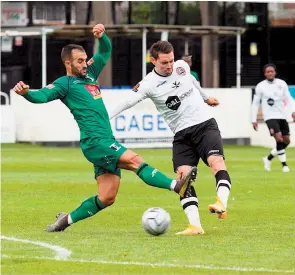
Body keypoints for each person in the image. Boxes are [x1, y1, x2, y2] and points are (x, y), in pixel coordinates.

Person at [12, 24, 196, 233]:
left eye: (85, 59)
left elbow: (106, 51)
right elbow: (41, 96)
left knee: (107, 197)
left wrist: (102, 37)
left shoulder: (89, 73)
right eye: (79, 61)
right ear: (68, 63)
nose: (84, 64)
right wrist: (27, 93)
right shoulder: (65, 84)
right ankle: (176, 186)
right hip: (95, 142)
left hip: (105, 140)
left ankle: (65, 220)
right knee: (136, 162)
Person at [108, 41, 232, 235]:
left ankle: (221, 202)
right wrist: (103, 119)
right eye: (164, 62)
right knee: (182, 179)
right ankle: (195, 226)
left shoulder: (181, 66)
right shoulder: (148, 84)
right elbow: (126, 102)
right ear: (153, 60)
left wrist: (206, 98)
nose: (169, 66)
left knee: (216, 162)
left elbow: (193, 82)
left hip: (205, 125)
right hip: (181, 135)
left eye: (171, 61)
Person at [252, 63, 295, 172]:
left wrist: (293, 111)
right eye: (268, 71)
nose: (270, 73)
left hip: (282, 116)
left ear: (275, 72)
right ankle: (284, 165)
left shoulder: (282, 84)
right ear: (265, 73)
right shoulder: (260, 86)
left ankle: (268, 158)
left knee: (287, 141)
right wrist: (254, 119)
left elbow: (289, 98)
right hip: (270, 117)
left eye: (272, 71)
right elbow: (255, 103)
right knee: (279, 138)